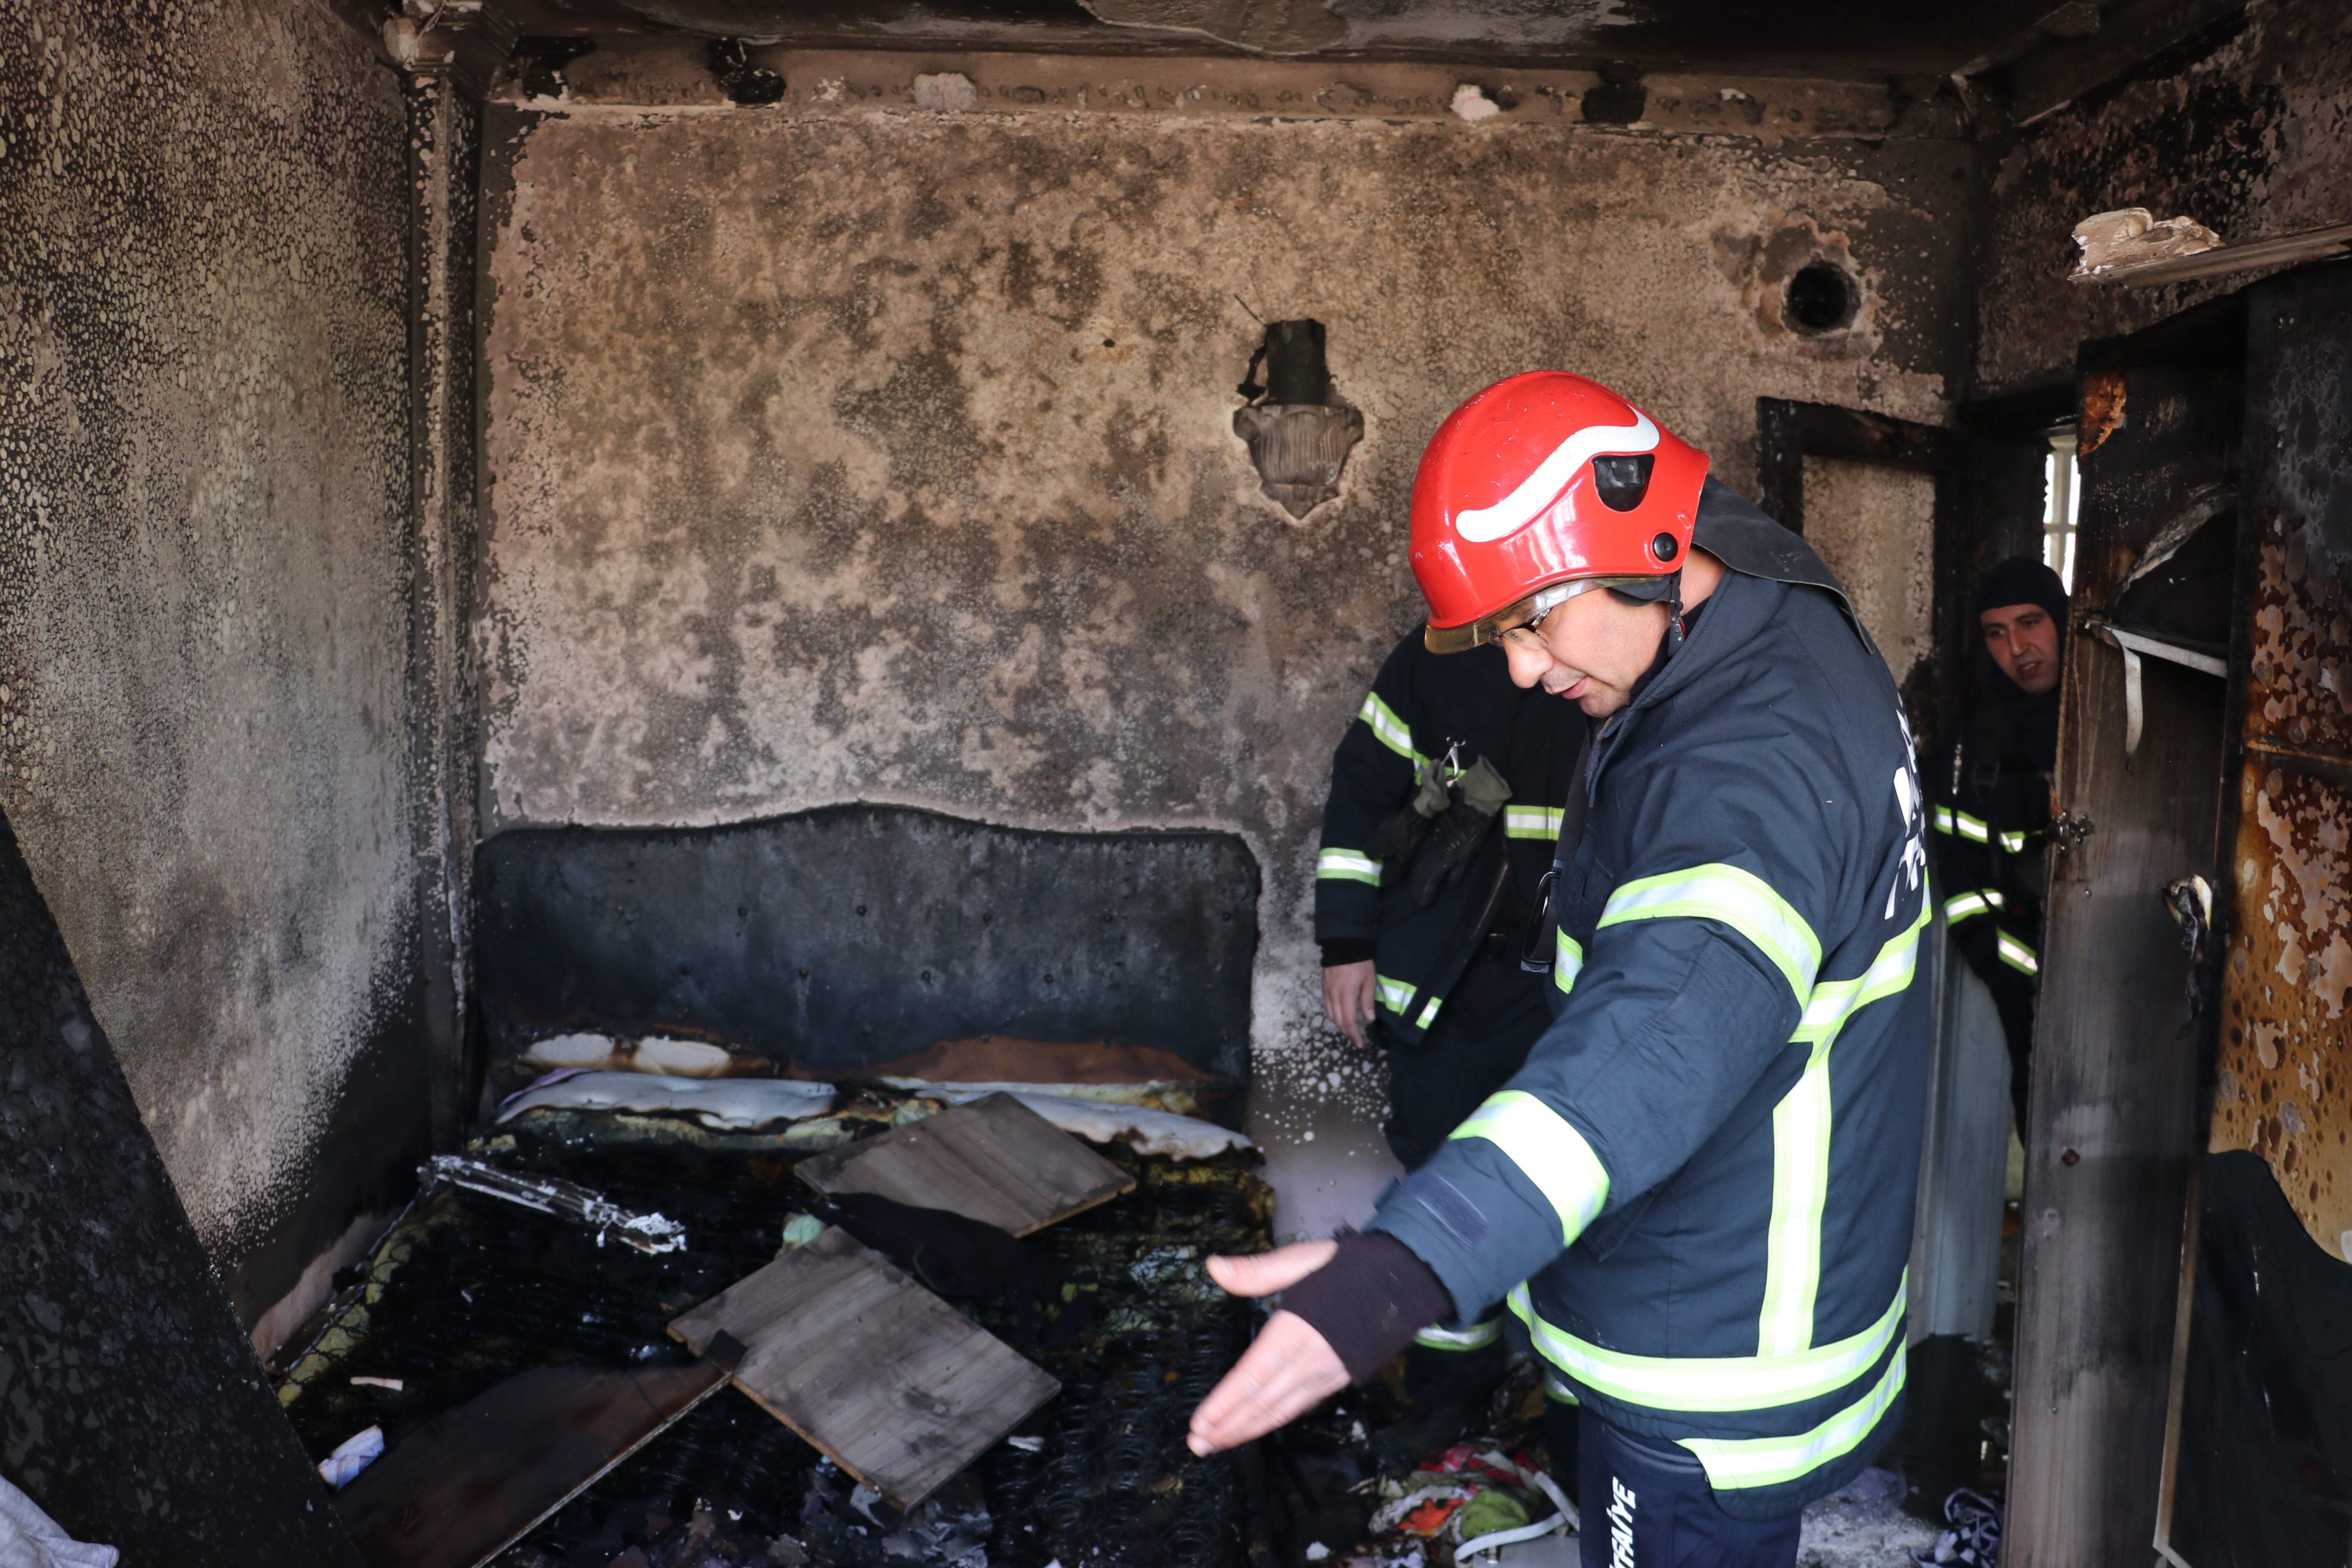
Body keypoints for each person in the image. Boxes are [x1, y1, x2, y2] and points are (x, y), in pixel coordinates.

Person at [1187, 372, 1932, 1568]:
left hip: (1705, 1360)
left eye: (1537, 620)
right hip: (1738, 1283)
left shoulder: (1749, 769)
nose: (1525, 669)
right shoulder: (1771, 600)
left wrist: (1413, 1257)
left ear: (1644, 544)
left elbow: (1659, 1036)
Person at [1314, 620, 1584, 1462]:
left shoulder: (1616, 646)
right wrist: (1345, 943)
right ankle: (1448, 1402)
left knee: (1584, 1201)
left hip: (1571, 991)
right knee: (1443, 1194)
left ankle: (1577, 1417)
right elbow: (1362, 788)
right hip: (1447, 990)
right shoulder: (1433, 656)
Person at [1937, 558, 2067, 1130]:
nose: (2018, 646)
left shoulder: (2119, 722)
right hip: (2029, 996)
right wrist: (2009, 969)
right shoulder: (1971, 749)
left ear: (2063, 622)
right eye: (1997, 633)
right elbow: (1956, 872)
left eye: (2031, 622)